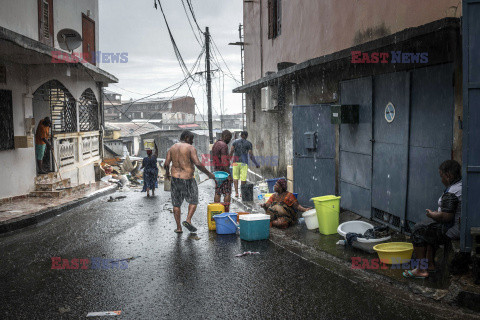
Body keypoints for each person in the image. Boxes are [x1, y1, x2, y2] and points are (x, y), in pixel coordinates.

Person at [403, 160, 462, 279]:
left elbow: (446, 217)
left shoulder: (453, 191)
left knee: (419, 230)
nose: (441, 180)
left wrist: (432, 215)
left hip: (453, 229)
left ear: (448, 175)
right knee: (427, 227)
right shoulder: (459, 185)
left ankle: (420, 270)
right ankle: (429, 264)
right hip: (455, 225)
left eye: (442, 176)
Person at [164, 130, 215, 233]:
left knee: (176, 204)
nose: (192, 142)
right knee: (193, 200)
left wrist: (167, 173)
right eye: (191, 139)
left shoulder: (172, 148)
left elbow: (166, 163)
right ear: (186, 137)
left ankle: (179, 228)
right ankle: (188, 220)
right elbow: (198, 163)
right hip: (187, 178)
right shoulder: (190, 148)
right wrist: (209, 174)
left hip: (175, 179)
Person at [229, 131, 260, 198]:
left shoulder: (235, 142)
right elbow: (250, 154)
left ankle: (236, 193)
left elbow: (231, 151)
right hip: (244, 163)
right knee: (243, 178)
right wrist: (256, 163)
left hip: (236, 162)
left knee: (235, 178)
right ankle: (242, 193)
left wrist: (228, 160)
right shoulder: (249, 143)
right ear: (246, 136)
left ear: (241, 135)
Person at [212, 130, 233, 205]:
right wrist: (229, 175)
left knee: (218, 192)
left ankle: (216, 210)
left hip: (217, 172)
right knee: (227, 193)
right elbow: (224, 162)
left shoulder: (216, 144)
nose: (229, 140)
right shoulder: (224, 145)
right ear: (225, 136)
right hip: (224, 173)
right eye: (229, 138)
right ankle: (226, 211)